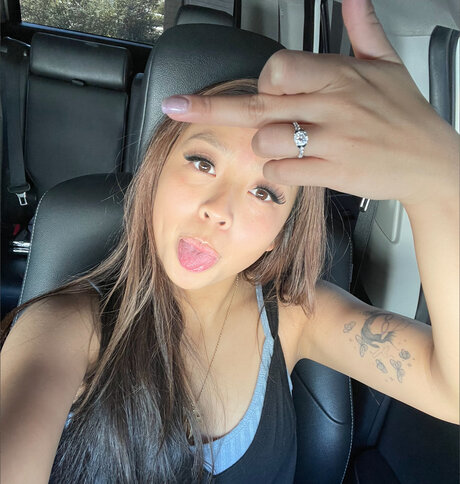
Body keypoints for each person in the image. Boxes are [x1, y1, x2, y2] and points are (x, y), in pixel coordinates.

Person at [1, 0, 458, 482]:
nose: (218, 210)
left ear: (279, 234)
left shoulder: (298, 317)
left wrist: (438, 176)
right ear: (156, 174)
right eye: (203, 163)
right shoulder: (64, 328)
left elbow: (450, 389)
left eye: (264, 192)